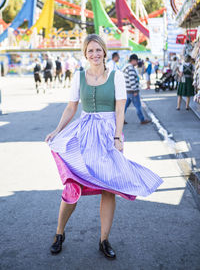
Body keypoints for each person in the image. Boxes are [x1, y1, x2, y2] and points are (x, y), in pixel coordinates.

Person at [45, 34, 163, 259]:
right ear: (85, 54)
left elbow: (120, 108)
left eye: (98, 50)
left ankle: (104, 239)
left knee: (108, 188)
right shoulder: (78, 76)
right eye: (90, 51)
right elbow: (71, 108)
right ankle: (59, 233)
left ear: (105, 52)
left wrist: (117, 137)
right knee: (72, 185)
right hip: (84, 133)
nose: (95, 54)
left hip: (109, 133)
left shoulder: (116, 76)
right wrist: (57, 130)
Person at [123, 54, 151, 125]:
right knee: (138, 106)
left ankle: (121, 119)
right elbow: (132, 80)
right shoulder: (130, 68)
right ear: (133, 60)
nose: (137, 62)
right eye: (136, 60)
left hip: (127, 90)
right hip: (132, 91)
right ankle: (142, 120)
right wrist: (135, 90)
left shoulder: (126, 67)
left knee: (124, 107)